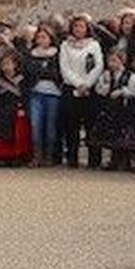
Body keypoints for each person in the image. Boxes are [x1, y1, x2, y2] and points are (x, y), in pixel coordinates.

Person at [59, 15, 105, 170]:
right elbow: (64, 67)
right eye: (76, 26)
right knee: (72, 126)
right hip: (71, 89)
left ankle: (94, 160)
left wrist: (87, 84)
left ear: (87, 29)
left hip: (89, 90)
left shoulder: (94, 45)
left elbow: (98, 66)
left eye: (82, 26)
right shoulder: (65, 45)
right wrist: (78, 84)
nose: (78, 29)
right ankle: (72, 159)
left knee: (91, 125)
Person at [24, 24, 64, 166]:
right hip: (36, 93)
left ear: (50, 38)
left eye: (44, 37)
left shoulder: (57, 53)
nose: (41, 40)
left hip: (53, 94)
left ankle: (49, 156)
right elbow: (29, 71)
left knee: (50, 127)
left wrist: (42, 71)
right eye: (39, 37)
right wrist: (44, 70)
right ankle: (37, 156)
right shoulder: (31, 54)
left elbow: (57, 73)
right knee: (36, 126)